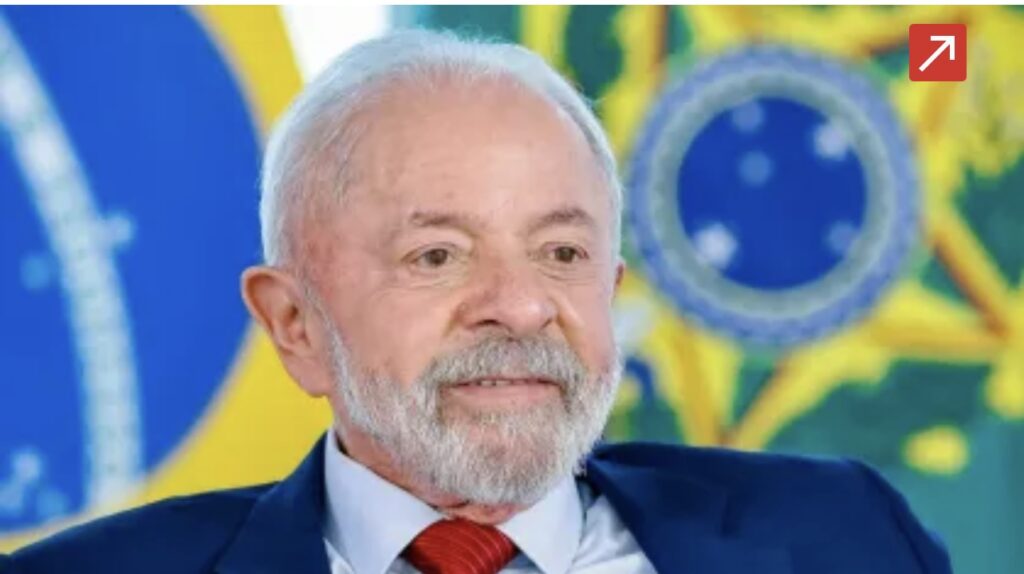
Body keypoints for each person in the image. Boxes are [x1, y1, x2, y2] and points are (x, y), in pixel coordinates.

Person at [6, 29, 951, 574]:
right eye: (437, 255)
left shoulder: (847, 534)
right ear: (295, 326)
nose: (522, 306)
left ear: (610, 291)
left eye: (562, 252)